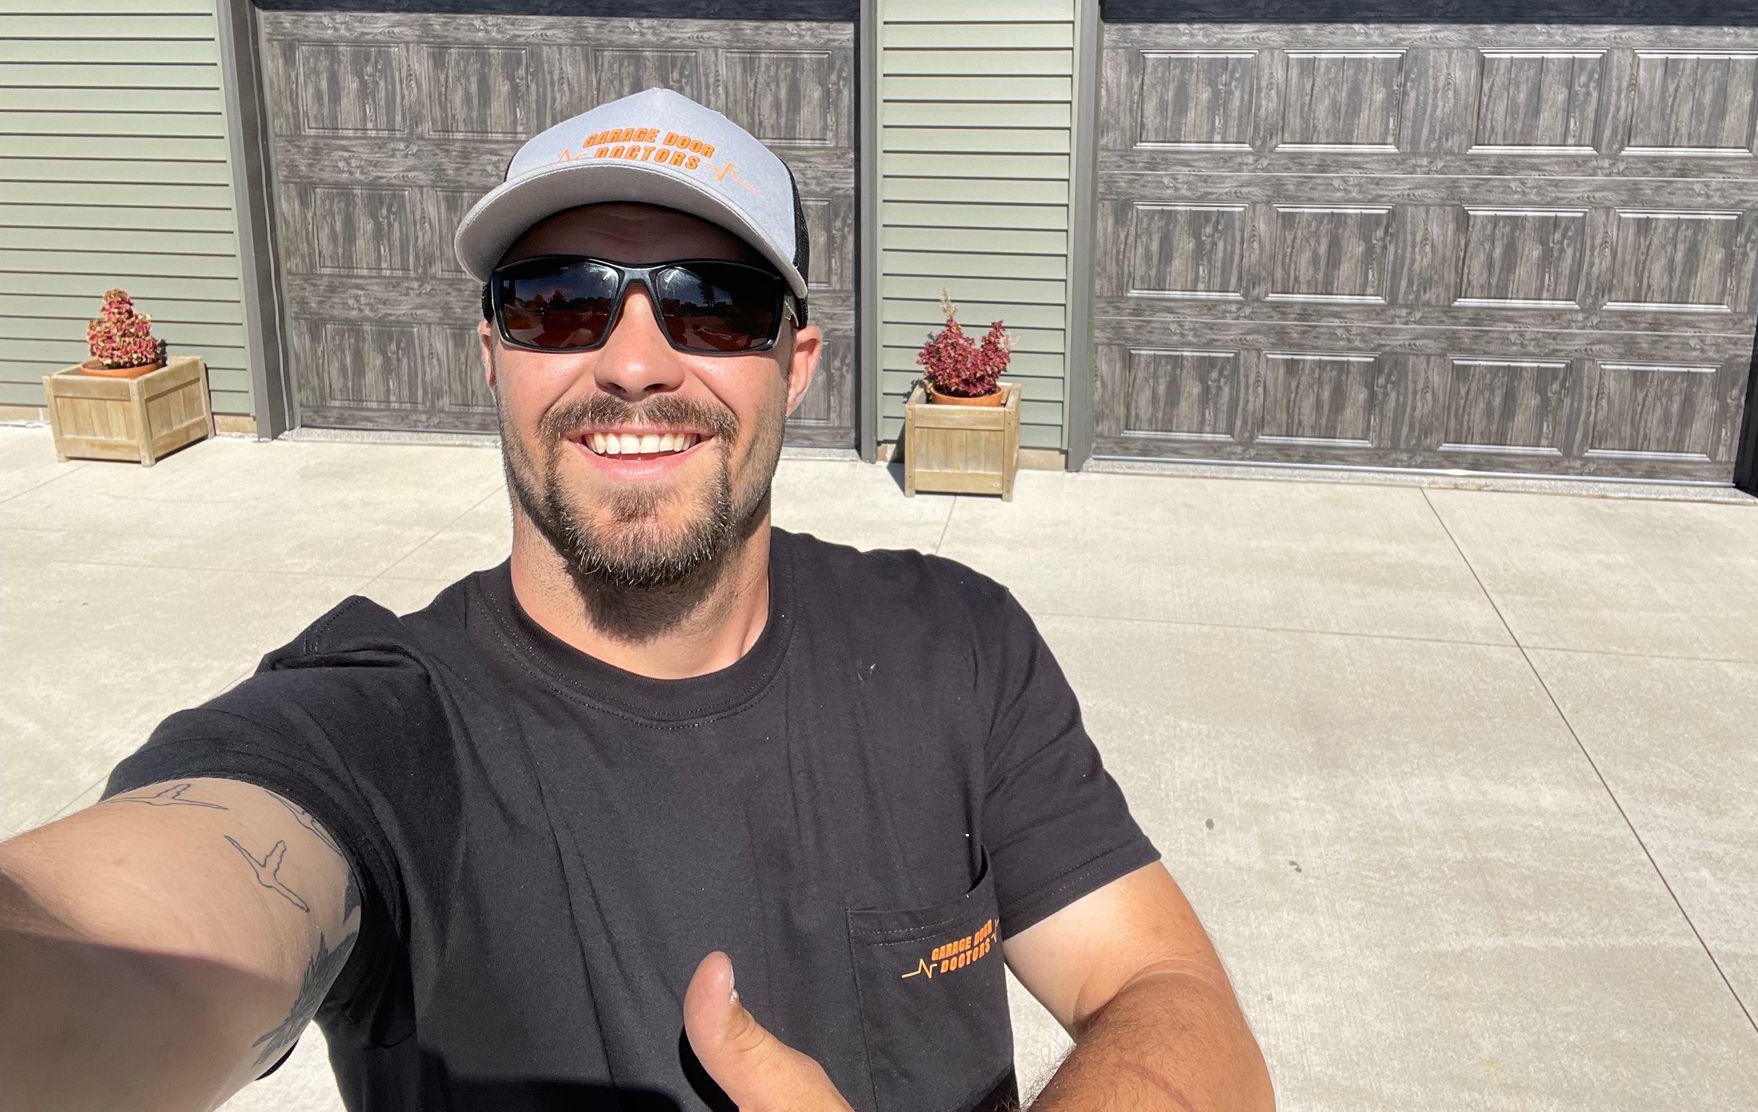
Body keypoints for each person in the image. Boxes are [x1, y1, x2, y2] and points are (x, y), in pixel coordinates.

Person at [0, 88, 1273, 1112]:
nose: (633, 360)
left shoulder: (956, 647)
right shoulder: (374, 736)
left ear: (798, 363)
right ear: (491, 352)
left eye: (714, 305)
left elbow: (1173, 997)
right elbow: (102, 938)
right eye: (559, 301)